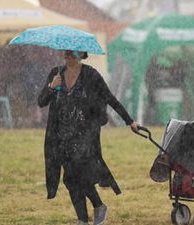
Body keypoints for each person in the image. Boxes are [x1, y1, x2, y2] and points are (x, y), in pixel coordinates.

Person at [38, 50, 140, 225]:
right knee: (71, 179)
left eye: (70, 53)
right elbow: (41, 101)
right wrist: (51, 87)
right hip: (61, 137)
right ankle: (93, 210)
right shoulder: (56, 74)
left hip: (85, 135)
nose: (66, 55)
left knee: (75, 173)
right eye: (66, 52)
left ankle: (85, 218)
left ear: (80, 55)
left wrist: (129, 121)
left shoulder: (91, 75)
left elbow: (110, 98)